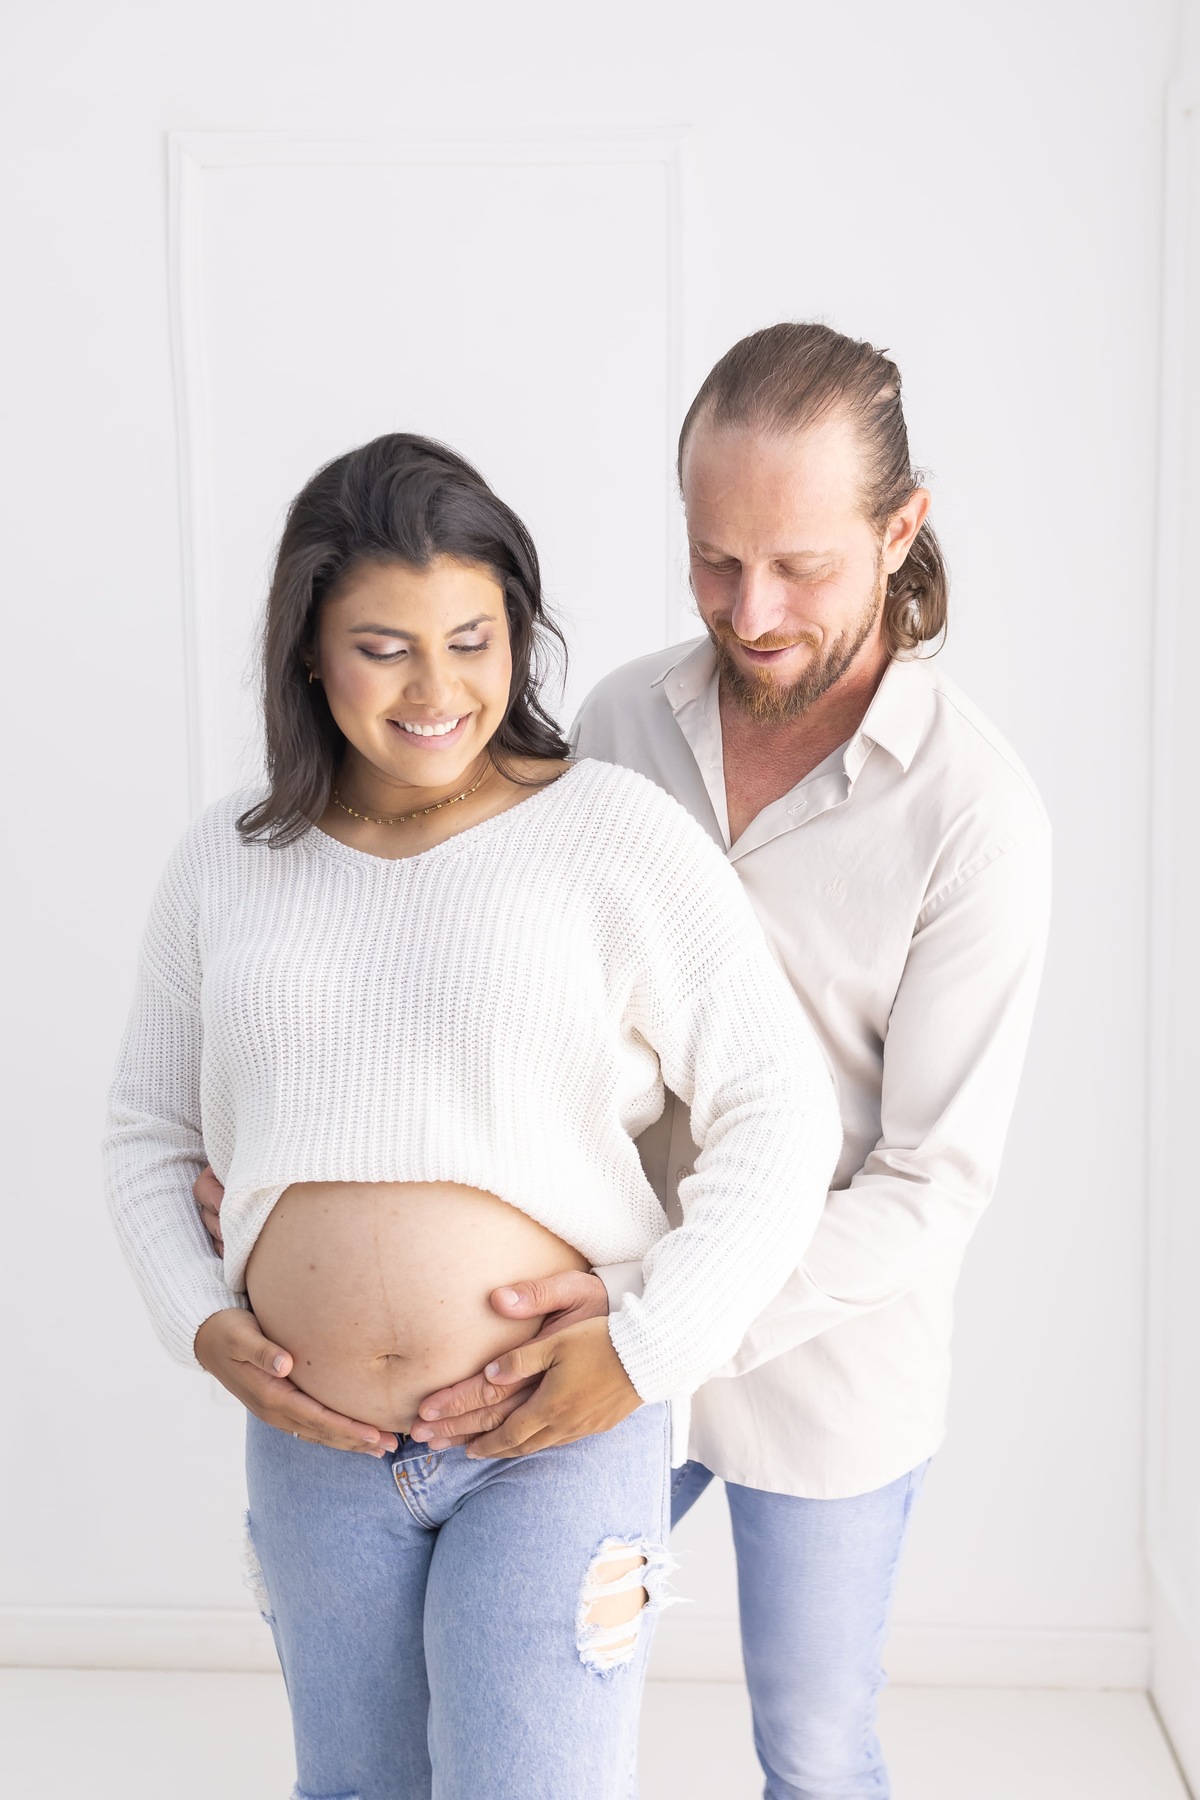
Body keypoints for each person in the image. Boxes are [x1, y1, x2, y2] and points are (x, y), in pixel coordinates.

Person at [104, 431, 841, 1800]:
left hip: (553, 1442)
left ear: (518, 635)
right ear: (309, 655)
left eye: (474, 638)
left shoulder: (611, 835)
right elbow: (146, 1133)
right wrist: (198, 1321)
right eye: (384, 646)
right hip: (317, 1452)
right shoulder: (229, 862)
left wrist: (647, 1346)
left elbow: (781, 1113)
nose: (438, 688)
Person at [381, 324, 1053, 1800]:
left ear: (900, 533)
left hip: (818, 1359)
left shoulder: (977, 815)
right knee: (511, 1689)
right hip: (588, 1313)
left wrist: (661, 1324)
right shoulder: (619, 722)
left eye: (800, 566)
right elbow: (504, 972)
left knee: (813, 1753)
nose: (749, 612)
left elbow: (931, 1182)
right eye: (713, 559)